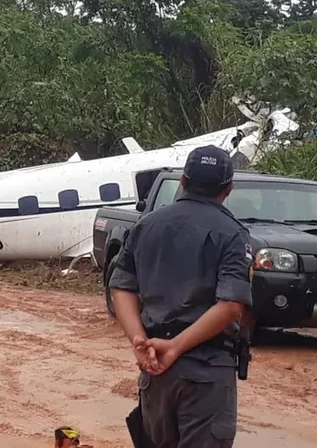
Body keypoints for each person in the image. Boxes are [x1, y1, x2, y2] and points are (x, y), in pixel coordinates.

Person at [109, 145, 253, 448]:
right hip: (206, 370)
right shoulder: (232, 234)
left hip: (155, 368)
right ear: (229, 189)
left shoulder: (146, 225)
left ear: (183, 182)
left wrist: (138, 340)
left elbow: (121, 286)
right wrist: (175, 346)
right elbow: (229, 305)